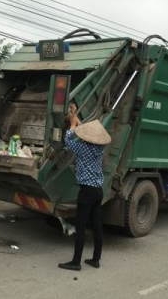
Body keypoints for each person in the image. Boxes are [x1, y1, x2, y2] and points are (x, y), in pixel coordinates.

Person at [58, 104, 111, 271]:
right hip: (97, 191)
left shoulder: (82, 148)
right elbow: (84, 132)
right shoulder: (99, 147)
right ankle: (96, 259)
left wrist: (72, 125)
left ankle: (75, 262)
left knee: (80, 226)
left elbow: (68, 138)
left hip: (87, 192)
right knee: (96, 225)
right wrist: (75, 115)